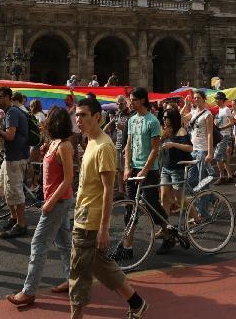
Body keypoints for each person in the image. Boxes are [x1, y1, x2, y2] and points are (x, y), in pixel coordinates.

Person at [70, 97, 149, 319]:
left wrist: (104, 228)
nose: (78, 119)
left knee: (78, 271)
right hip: (82, 214)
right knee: (98, 264)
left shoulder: (104, 146)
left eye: (83, 114)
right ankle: (137, 302)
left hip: (90, 220)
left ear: (97, 117)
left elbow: (108, 190)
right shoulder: (90, 142)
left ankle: (76, 314)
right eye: (77, 114)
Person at [6, 107, 74, 307]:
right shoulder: (54, 143)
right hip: (56, 200)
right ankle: (73, 280)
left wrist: (50, 202)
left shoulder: (64, 145)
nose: (44, 124)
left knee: (38, 244)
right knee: (64, 244)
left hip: (58, 201)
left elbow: (69, 178)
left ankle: (29, 291)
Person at [122, 87, 171, 252]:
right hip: (134, 168)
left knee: (150, 203)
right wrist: (127, 167)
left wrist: (145, 169)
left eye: (133, 99)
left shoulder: (153, 121)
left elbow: (155, 149)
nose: (130, 102)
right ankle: (127, 245)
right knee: (130, 205)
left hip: (150, 170)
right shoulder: (131, 120)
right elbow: (128, 145)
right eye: (130, 99)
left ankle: (167, 231)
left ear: (142, 100)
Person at [0, 88, 31, 238]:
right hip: (11, 157)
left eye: (0, 97)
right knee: (4, 186)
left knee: (15, 191)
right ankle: (13, 217)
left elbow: (10, 136)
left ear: (8, 97)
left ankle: (21, 225)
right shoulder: (11, 112)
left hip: (16, 158)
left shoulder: (12, 112)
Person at [158, 107, 192, 244]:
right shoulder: (166, 131)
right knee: (164, 198)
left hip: (177, 168)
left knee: (180, 199)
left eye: (166, 117)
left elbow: (189, 148)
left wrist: (173, 144)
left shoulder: (181, 130)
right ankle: (165, 227)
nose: (164, 119)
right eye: (163, 117)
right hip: (166, 167)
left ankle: (195, 217)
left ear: (173, 118)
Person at [184, 90, 215, 193]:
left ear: (204, 99)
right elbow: (180, 119)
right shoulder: (193, 112)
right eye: (195, 98)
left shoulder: (208, 114)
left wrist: (210, 153)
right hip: (193, 149)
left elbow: (210, 134)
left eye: (199, 98)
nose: (196, 99)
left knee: (202, 182)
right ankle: (212, 198)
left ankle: (203, 207)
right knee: (191, 180)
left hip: (202, 150)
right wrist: (185, 105)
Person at [103, 95, 131, 195]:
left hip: (126, 145)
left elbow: (131, 131)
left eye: (121, 104)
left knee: (127, 168)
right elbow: (106, 128)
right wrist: (110, 123)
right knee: (119, 169)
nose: (119, 106)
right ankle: (121, 191)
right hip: (117, 144)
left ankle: (128, 190)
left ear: (125, 103)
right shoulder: (117, 115)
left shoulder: (130, 115)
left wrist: (122, 127)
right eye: (117, 104)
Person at [212, 92, 235, 183]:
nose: (216, 101)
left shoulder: (226, 109)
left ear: (221, 100)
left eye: (217, 99)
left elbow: (231, 122)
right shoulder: (219, 110)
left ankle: (222, 176)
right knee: (223, 157)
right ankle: (230, 176)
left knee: (217, 156)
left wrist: (221, 128)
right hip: (220, 135)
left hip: (224, 135)